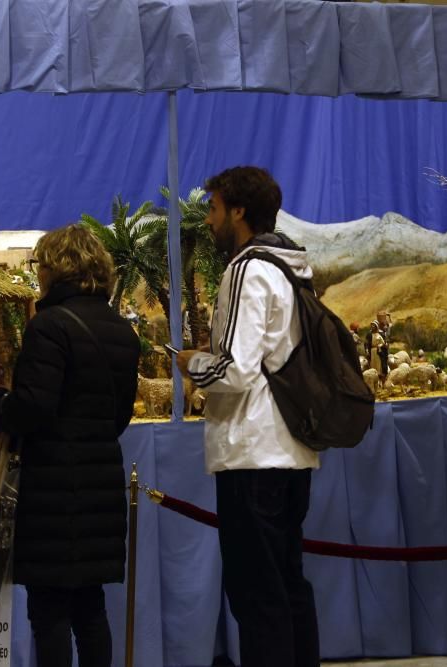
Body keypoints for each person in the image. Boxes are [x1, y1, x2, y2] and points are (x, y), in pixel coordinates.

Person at [175, 166, 319, 667]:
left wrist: (190, 363)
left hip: (252, 453)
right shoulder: (292, 267)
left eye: (213, 208)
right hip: (290, 450)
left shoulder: (247, 269)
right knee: (286, 585)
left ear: (238, 211)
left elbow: (235, 371)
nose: (209, 220)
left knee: (258, 594)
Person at [0, 223, 140, 667]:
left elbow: (33, 410)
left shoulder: (49, 326)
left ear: (55, 269)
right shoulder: (123, 331)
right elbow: (119, 417)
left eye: (40, 264)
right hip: (101, 482)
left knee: (49, 611)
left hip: (52, 490)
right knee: (90, 609)